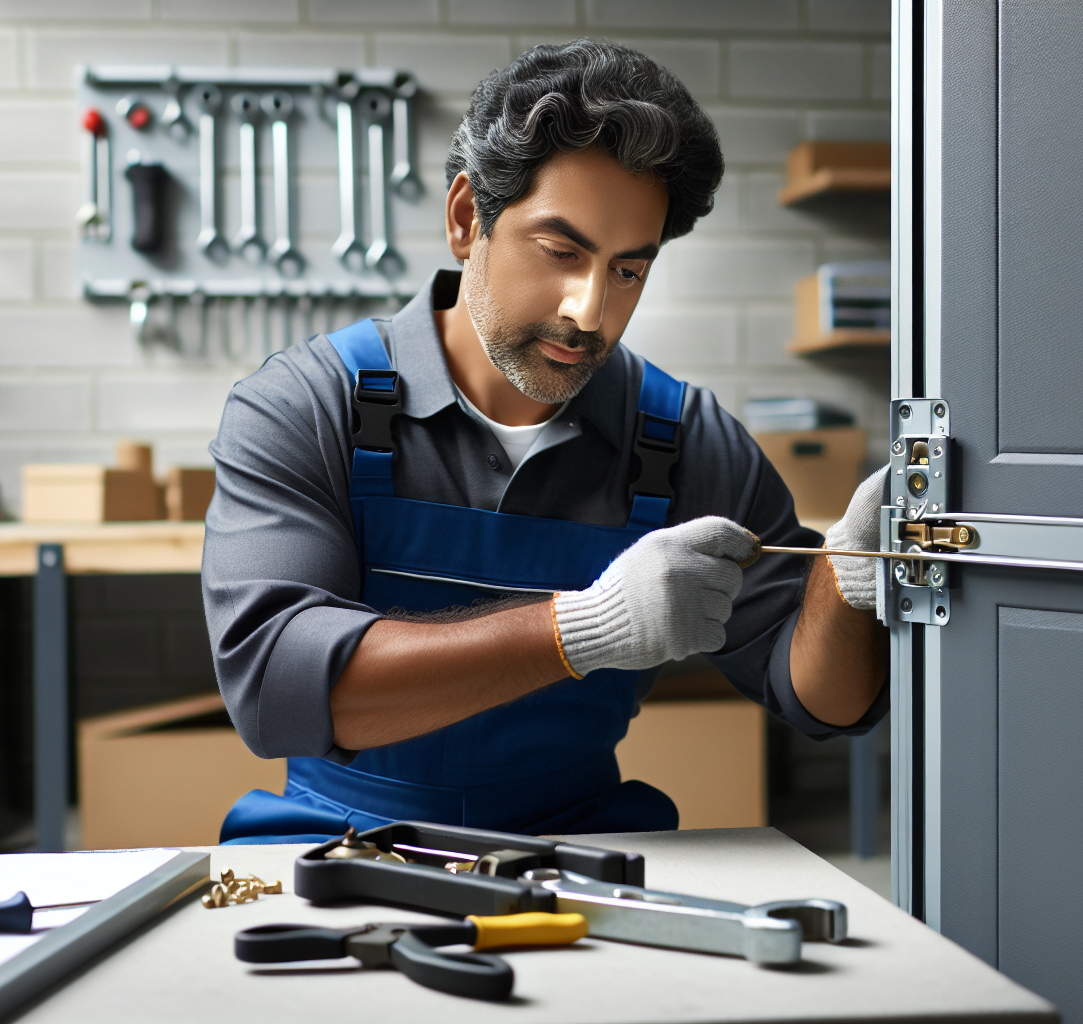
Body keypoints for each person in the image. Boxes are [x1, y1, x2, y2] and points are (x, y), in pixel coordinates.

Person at [205, 39, 889, 844]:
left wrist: (846, 586)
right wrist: (582, 629)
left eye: (628, 270)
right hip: (334, 845)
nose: (589, 310)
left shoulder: (685, 440)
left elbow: (822, 701)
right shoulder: (305, 405)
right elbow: (276, 689)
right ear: (467, 219)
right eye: (561, 251)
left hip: (586, 849)